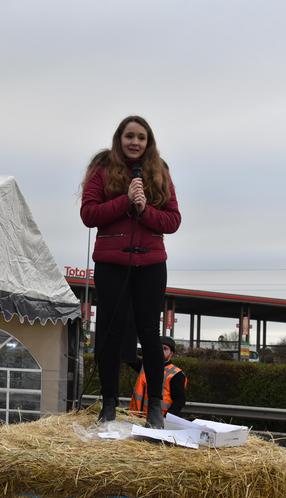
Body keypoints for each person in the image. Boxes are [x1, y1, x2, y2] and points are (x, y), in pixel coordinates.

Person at [80, 115, 182, 428]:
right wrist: (125, 202)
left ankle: (154, 409)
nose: (135, 142)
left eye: (141, 137)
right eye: (129, 136)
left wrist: (144, 210)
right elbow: (89, 214)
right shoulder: (103, 168)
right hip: (111, 264)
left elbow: (173, 221)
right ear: (119, 138)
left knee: (149, 334)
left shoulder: (159, 170)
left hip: (150, 265)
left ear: (148, 142)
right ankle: (109, 404)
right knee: (109, 333)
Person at [130, 336, 187, 418]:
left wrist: (166, 419)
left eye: (165, 348)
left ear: (171, 353)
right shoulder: (145, 366)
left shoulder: (176, 374)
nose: (161, 351)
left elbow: (179, 401)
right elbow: (129, 356)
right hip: (136, 419)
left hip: (159, 422)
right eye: (158, 347)